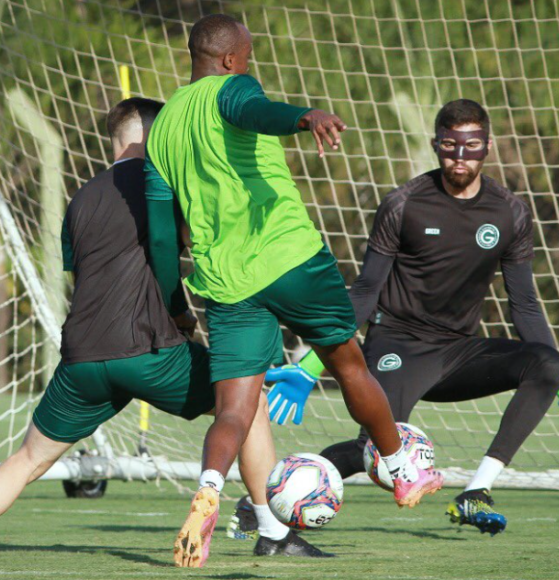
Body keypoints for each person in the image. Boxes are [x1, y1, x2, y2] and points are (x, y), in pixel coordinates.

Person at [0, 97, 327, 561]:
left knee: (29, 458)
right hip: (149, 351)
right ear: (157, 135)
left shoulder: (82, 197)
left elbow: (88, 279)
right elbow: (192, 246)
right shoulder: (164, 183)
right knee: (245, 399)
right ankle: (273, 532)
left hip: (82, 358)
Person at [144, 13, 443, 568]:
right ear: (231, 59)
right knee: (348, 362)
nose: (250, 64)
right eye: (249, 55)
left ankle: (210, 487)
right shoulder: (234, 87)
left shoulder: (161, 128)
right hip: (289, 258)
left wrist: (171, 303)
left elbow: (162, 231)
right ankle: (403, 470)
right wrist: (302, 117)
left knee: (233, 409)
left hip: (224, 284)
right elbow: (250, 110)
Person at [263, 99, 559, 537]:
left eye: (471, 146)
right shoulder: (403, 203)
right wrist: (310, 366)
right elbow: (365, 291)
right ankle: (263, 506)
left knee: (548, 362)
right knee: (372, 451)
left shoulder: (510, 212)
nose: (460, 157)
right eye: (450, 146)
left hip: (457, 353)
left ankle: (476, 493)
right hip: (395, 345)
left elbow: (524, 304)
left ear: (487, 146)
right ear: (436, 145)